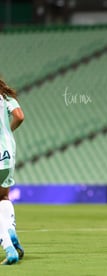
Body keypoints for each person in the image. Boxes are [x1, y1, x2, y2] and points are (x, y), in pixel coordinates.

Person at [0, 79, 25, 265]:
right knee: (3, 197)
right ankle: (10, 229)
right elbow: (19, 116)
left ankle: (9, 248)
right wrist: (7, 131)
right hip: (8, 150)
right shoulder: (6, 96)